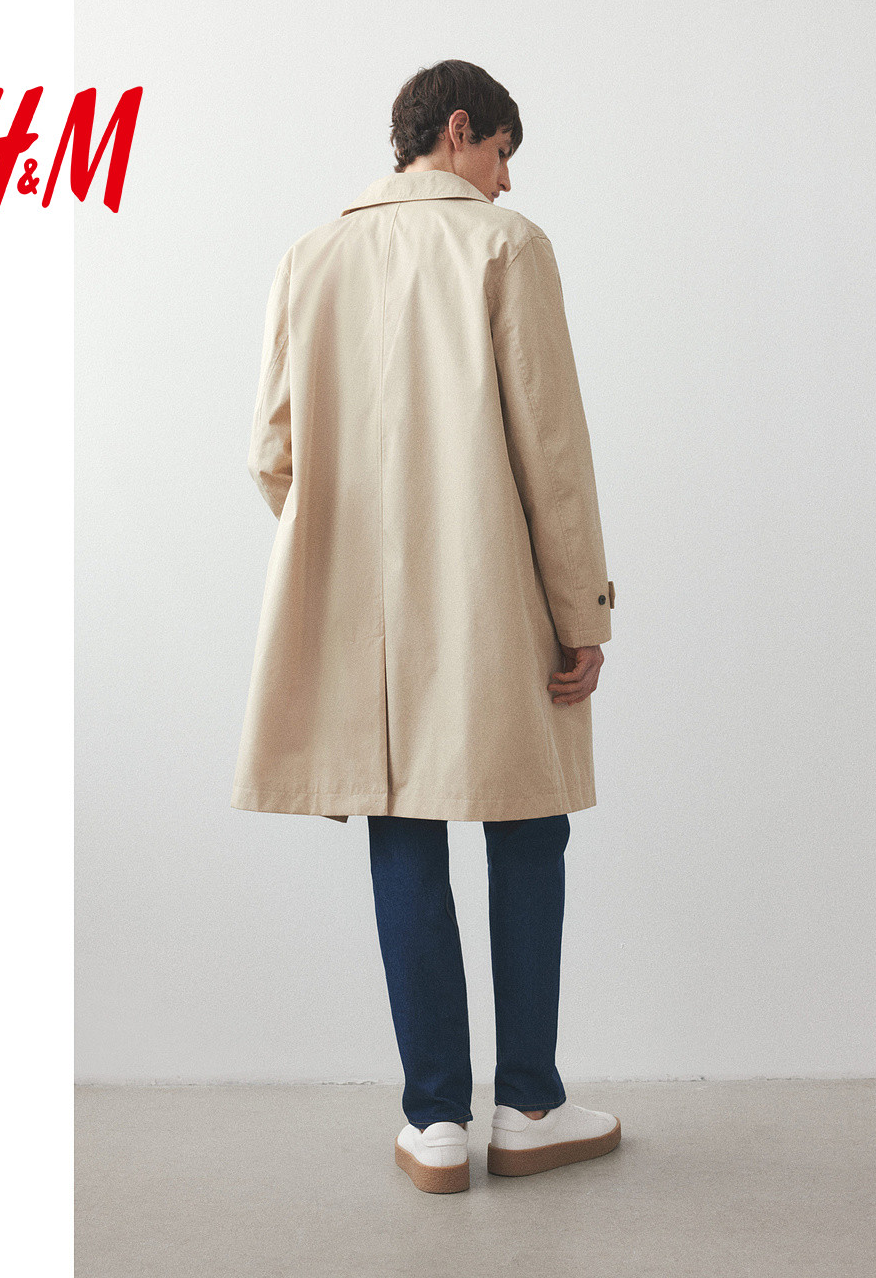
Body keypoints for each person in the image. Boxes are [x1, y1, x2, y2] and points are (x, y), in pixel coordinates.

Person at [231, 60, 620, 1193]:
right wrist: (580, 611)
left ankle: (435, 1122)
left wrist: (346, 550)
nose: (505, 180)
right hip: (490, 594)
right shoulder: (507, 248)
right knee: (527, 822)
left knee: (401, 824)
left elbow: (271, 454)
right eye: (501, 152)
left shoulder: (311, 257)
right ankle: (529, 1103)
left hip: (361, 613)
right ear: (458, 129)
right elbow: (551, 452)